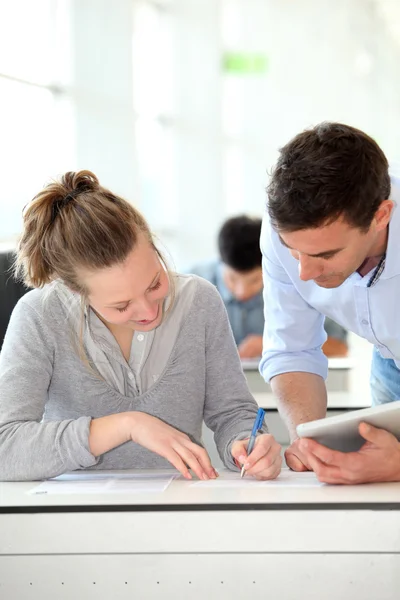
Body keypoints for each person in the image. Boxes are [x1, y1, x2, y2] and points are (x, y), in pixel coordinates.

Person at [0, 170, 282, 482]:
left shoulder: (199, 300)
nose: (148, 311)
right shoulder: (39, 316)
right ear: (74, 291)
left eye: (155, 283)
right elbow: (5, 447)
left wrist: (245, 445)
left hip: (181, 509)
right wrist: (128, 425)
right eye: (121, 305)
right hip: (71, 519)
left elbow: (232, 414)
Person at [260, 122, 400, 485]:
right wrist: (309, 440)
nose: (303, 272)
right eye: (295, 252)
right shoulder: (285, 229)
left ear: (381, 216)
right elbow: (293, 349)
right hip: (389, 361)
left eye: (325, 254)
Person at [191, 215, 348, 359]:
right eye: (232, 279)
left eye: (253, 281)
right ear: (221, 263)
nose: (242, 292)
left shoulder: (301, 281)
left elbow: (340, 347)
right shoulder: (189, 286)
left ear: (268, 267)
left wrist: (275, 343)